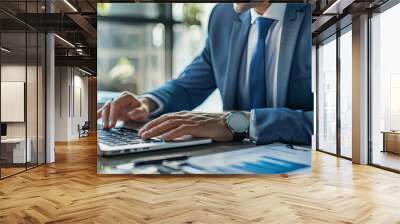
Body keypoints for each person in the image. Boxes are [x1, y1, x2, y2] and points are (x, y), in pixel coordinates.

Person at [97, 2, 313, 145]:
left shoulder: (326, 12)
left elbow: (340, 122)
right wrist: (147, 103)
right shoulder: (223, 16)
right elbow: (190, 84)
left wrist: (239, 123)